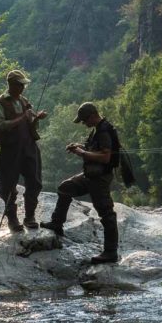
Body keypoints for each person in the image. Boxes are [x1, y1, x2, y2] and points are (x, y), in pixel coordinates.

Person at [41, 102, 119, 264]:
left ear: (92, 116)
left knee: (107, 214)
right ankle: (57, 224)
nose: (84, 124)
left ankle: (110, 252)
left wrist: (82, 153)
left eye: (84, 120)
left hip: (100, 179)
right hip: (90, 176)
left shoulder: (104, 130)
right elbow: (96, 148)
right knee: (65, 188)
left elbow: (105, 157)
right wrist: (79, 146)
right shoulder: (97, 129)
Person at [0, 69, 47, 232]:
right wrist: (21, 118)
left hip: (29, 146)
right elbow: (0, 125)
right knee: (8, 184)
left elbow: (31, 123)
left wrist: (37, 118)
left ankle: (30, 216)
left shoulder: (24, 101)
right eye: (20, 85)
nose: (23, 88)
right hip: (10, 149)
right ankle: (12, 219)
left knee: (34, 181)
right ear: (11, 85)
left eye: (23, 85)